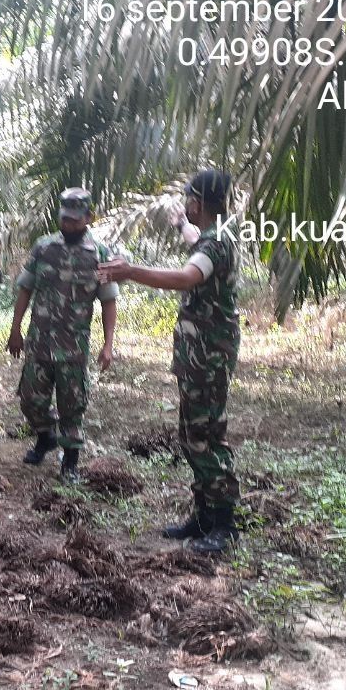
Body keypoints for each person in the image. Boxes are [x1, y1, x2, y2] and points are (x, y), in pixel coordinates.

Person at [98, 169, 240, 554]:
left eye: (188, 199)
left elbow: (186, 277)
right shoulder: (214, 236)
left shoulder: (216, 243)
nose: (186, 205)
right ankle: (204, 516)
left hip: (208, 356)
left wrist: (131, 272)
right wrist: (181, 226)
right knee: (191, 434)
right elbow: (195, 242)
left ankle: (224, 524)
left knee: (205, 435)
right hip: (199, 355)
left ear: (197, 201)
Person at [7, 187, 118, 483]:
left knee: (72, 405)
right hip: (40, 341)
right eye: (64, 218)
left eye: (74, 219)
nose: (68, 224)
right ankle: (46, 436)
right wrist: (15, 329)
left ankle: (70, 462)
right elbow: (25, 289)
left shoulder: (100, 254)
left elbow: (108, 301)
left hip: (73, 346)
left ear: (88, 217)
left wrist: (108, 344)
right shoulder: (43, 247)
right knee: (30, 399)